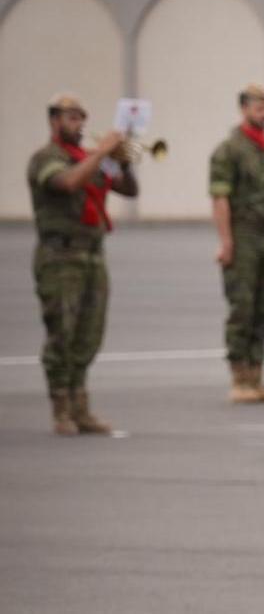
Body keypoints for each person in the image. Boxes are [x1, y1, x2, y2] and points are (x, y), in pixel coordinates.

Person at [28, 93, 139, 435]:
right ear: (54, 121)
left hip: (92, 254)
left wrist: (122, 160)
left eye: (81, 118)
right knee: (62, 331)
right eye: (71, 118)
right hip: (60, 256)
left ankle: (81, 406)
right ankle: (61, 409)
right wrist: (103, 151)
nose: (78, 125)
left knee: (89, 333)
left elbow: (129, 190)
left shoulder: (89, 158)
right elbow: (68, 182)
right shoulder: (47, 158)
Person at [209, 84, 264, 405]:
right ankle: (239, 376)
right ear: (244, 109)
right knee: (242, 307)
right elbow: (220, 199)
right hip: (243, 236)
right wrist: (226, 242)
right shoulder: (229, 150)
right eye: (259, 108)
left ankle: (257, 376)